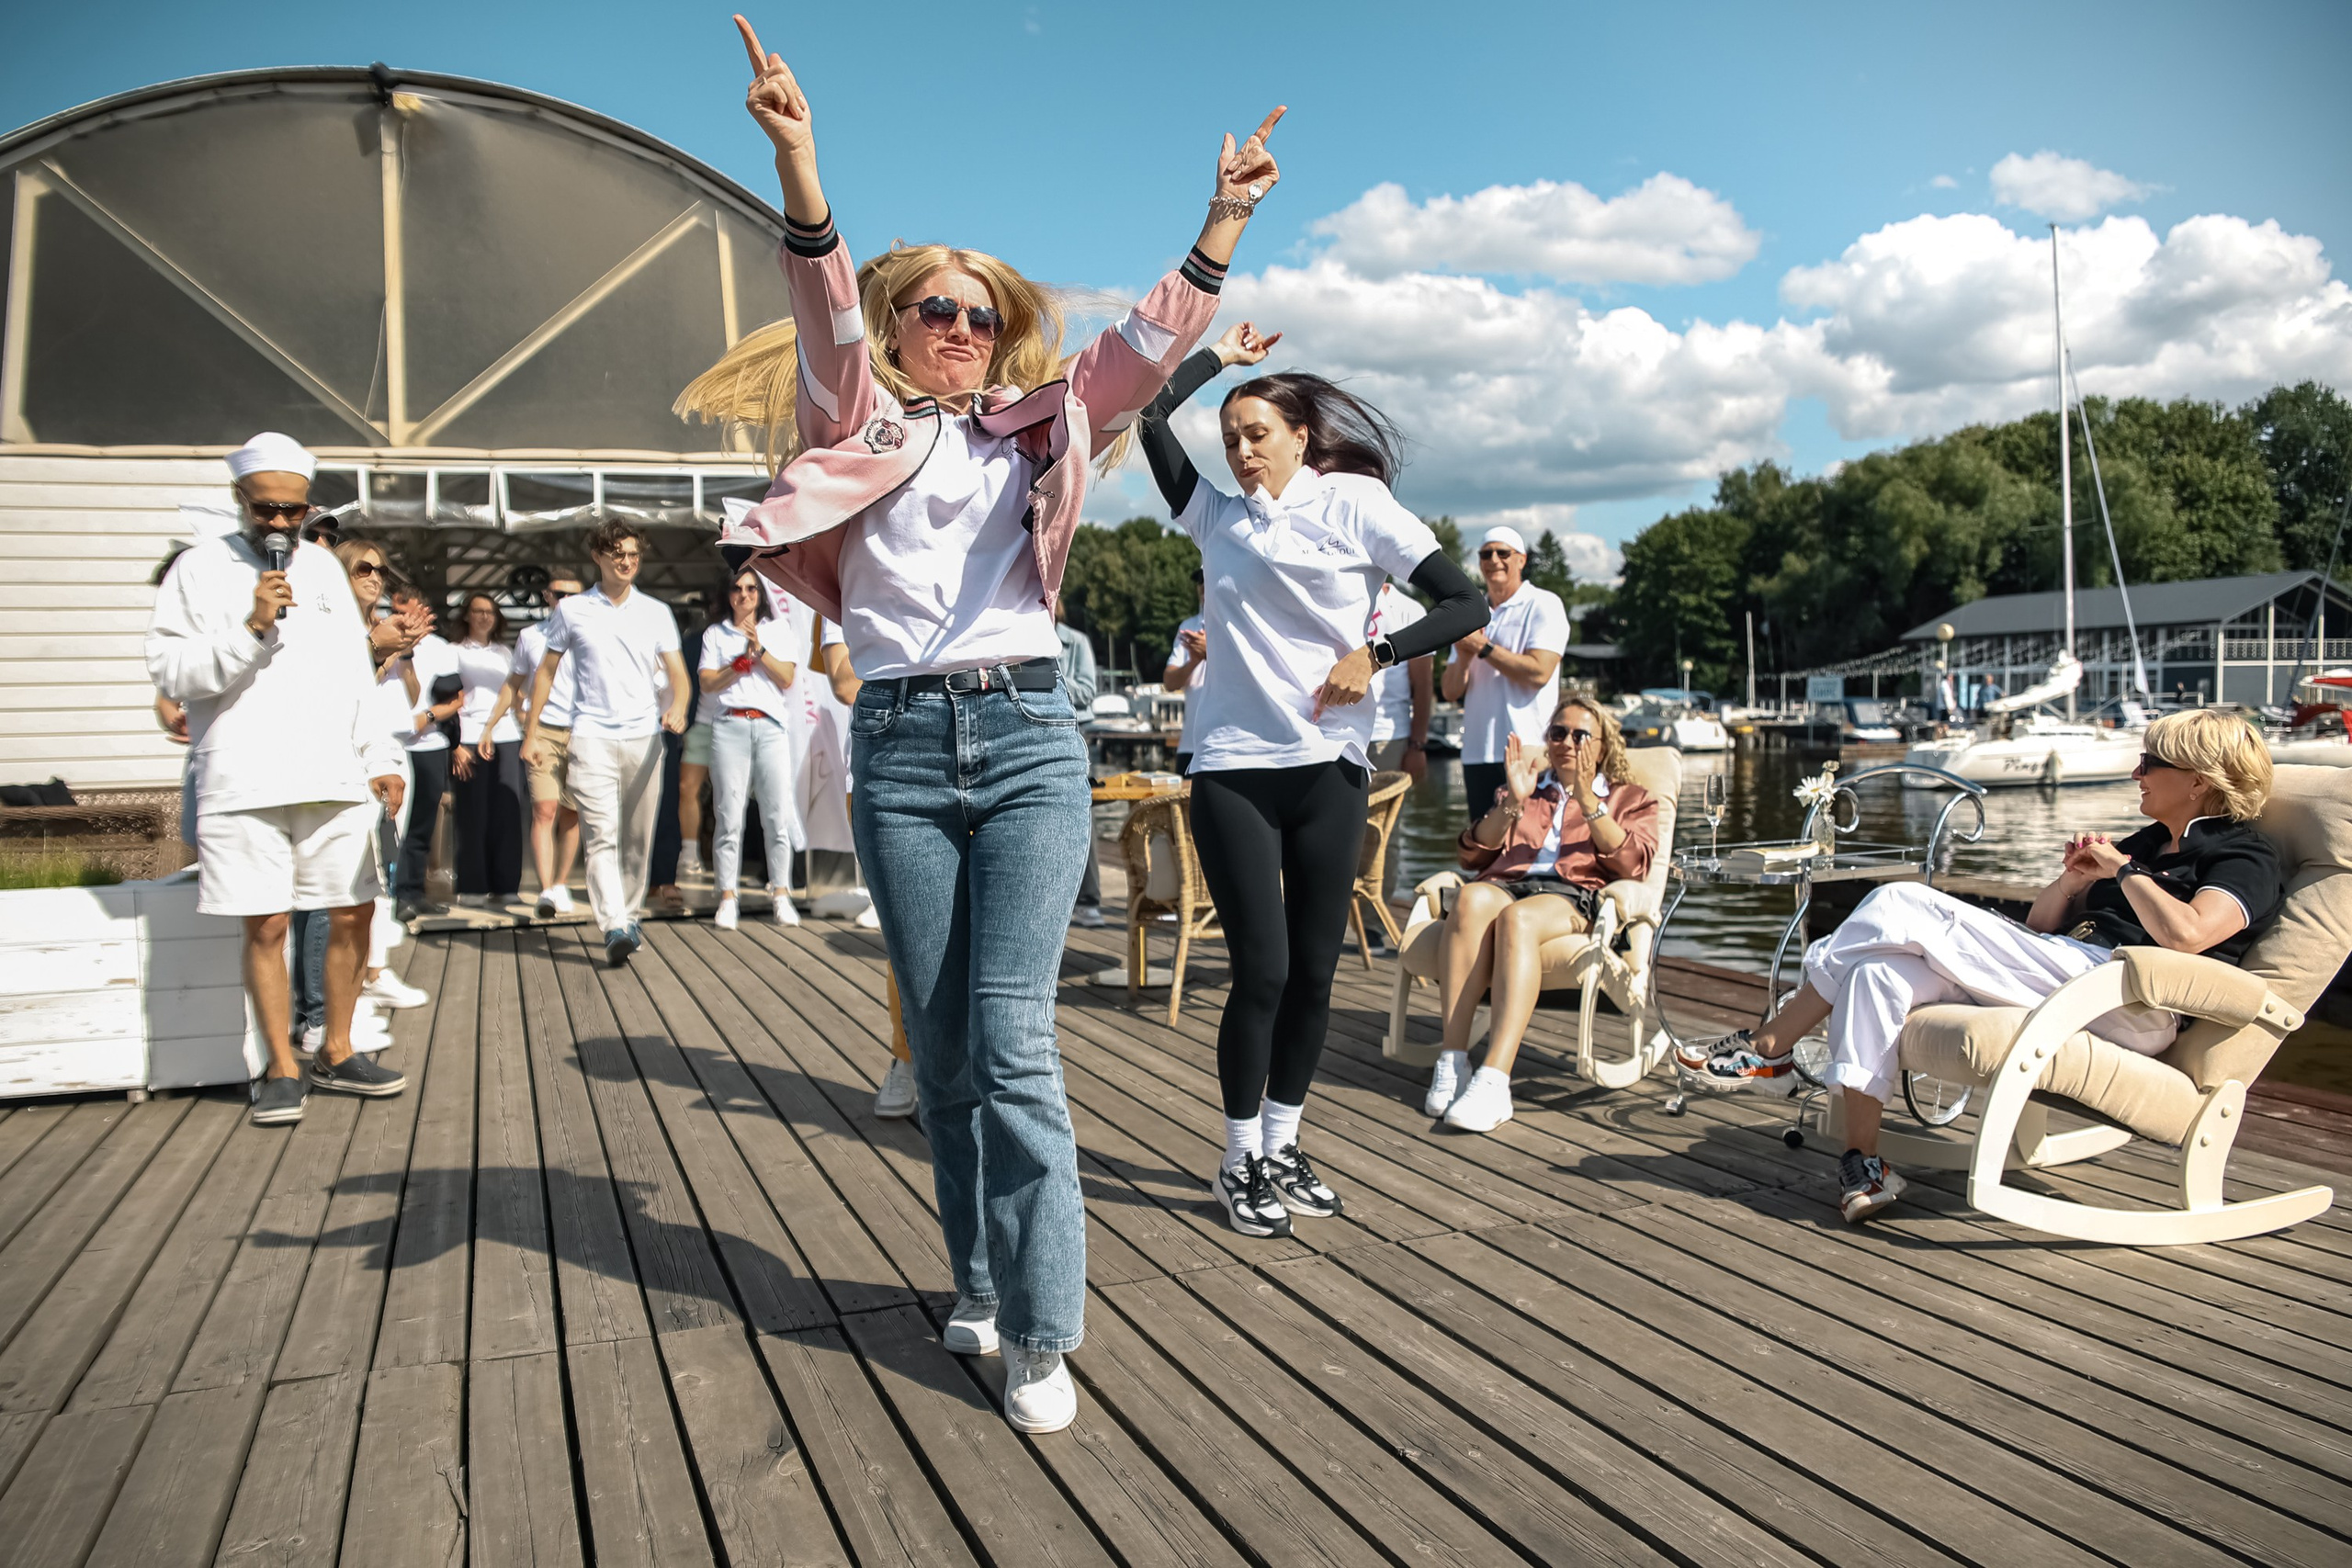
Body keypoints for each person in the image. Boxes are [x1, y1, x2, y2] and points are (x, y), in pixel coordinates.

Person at [684, 13, 1274, 1435]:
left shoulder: (1046, 421)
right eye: (927, 311)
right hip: (893, 741)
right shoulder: (855, 421)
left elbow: (1144, 348)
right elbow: (819, 301)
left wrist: (1217, 225)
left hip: (1021, 735)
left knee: (1012, 1036)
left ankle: (1044, 1326)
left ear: (998, 332)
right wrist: (800, 156)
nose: (952, 329)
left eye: (973, 312)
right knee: (942, 1047)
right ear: (897, 333)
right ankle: (978, 1276)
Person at [1132, 322, 1487, 1240]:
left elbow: (1464, 604)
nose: (1242, 452)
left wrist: (1372, 656)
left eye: (1257, 434)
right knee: (1262, 971)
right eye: (1231, 438)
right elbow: (1149, 410)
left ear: (1299, 434)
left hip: (1329, 767)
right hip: (1235, 772)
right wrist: (1219, 362)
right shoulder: (1214, 516)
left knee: (1316, 977)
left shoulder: (1356, 504)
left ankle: (1284, 1144)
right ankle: (1236, 1157)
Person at [1675, 708, 2284, 1222]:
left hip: (2131, 997)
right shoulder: (2151, 840)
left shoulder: (2242, 852)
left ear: (2200, 781)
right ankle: (1865, 1165)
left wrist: (2124, 872)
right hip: (2067, 968)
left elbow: (2189, 936)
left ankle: (1774, 1041)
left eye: (2151, 762)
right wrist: (2075, 879)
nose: (2136, 771)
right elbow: (2042, 924)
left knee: (1899, 900)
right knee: (1876, 974)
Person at [144, 433, 410, 1126]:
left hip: (330, 770)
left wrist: (379, 754)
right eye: (268, 509)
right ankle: (281, 1065)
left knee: (354, 908)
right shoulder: (197, 571)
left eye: (294, 511)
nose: (281, 524)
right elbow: (173, 673)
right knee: (266, 923)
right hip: (243, 774)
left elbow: (355, 671)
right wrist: (252, 625)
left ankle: (338, 1047)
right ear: (240, 501)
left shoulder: (324, 568)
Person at [1420, 698, 1658, 1131]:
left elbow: (1632, 865)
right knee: (1473, 898)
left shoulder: (1630, 797)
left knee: (1519, 920)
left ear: (1602, 746)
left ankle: (1495, 1079)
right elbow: (1473, 853)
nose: (1567, 742)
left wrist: (1588, 798)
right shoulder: (1529, 786)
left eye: (1580, 735)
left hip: (1573, 894)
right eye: (1558, 733)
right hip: (1506, 883)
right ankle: (1452, 1062)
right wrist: (1513, 799)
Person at [521, 520, 689, 966]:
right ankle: (614, 922)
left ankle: (629, 917)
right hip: (591, 736)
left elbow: (678, 676)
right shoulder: (573, 610)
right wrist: (532, 730)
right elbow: (545, 672)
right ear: (598, 556)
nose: (627, 561)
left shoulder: (656, 611)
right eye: (617, 553)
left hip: (645, 738)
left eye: (633, 554)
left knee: (637, 839)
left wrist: (679, 707)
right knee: (600, 836)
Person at [700, 568, 807, 931]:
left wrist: (759, 652)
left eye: (750, 589)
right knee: (728, 816)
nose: (744, 595)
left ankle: (781, 893)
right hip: (729, 724)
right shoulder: (716, 633)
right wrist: (740, 664)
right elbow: (709, 683)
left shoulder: (778, 630)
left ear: (760, 594)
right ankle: (727, 896)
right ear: (727, 594)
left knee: (777, 816)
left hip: (770, 727)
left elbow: (787, 677)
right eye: (737, 589)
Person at [1442, 525, 1569, 825]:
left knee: (1530, 843)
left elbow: (1539, 672)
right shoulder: (1469, 613)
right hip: (1477, 751)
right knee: (1484, 845)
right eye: (1486, 554)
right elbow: (1449, 691)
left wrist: (1484, 648)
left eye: (1503, 553)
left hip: (1529, 749)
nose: (1494, 560)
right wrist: (1462, 658)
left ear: (1522, 560)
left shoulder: (1543, 604)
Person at [448, 592, 526, 910]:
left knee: (507, 814)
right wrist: (455, 745)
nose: (484, 617)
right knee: (472, 813)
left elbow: (517, 696)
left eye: (490, 612)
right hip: (468, 736)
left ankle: (506, 885)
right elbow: (447, 697)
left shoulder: (506, 653)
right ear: (467, 615)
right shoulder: (453, 652)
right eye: (478, 611)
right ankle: (472, 885)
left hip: (506, 735)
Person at [514, 575, 585, 915]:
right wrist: (526, 730)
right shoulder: (530, 636)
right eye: (560, 594)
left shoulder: (590, 633)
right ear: (547, 596)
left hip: (583, 730)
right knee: (545, 809)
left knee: (572, 814)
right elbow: (515, 684)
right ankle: (545, 890)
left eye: (574, 595)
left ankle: (560, 883)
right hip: (543, 729)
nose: (566, 600)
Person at [392, 582, 462, 921]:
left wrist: (428, 717)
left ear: (423, 611)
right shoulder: (382, 641)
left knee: (421, 824)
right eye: (395, 611)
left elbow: (456, 700)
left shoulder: (441, 649)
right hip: (391, 744)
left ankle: (412, 893)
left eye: (407, 612)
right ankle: (390, 896)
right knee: (393, 825)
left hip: (430, 744)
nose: (401, 618)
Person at [1056, 607, 1105, 928]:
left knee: (1080, 812)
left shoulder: (1076, 642)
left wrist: (1048, 677)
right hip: (1031, 728)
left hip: (1075, 730)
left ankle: (1089, 900)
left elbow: (1089, 691)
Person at [1162, 570, 1206, 773]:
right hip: (1190, 746)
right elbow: (1169, 682)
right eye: (1199, 580)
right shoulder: (1188, 627)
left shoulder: (1239, 625)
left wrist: (1210, 652)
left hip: (1229, 748)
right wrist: (1195, 661)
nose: (1203, 585)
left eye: (1207, 577)